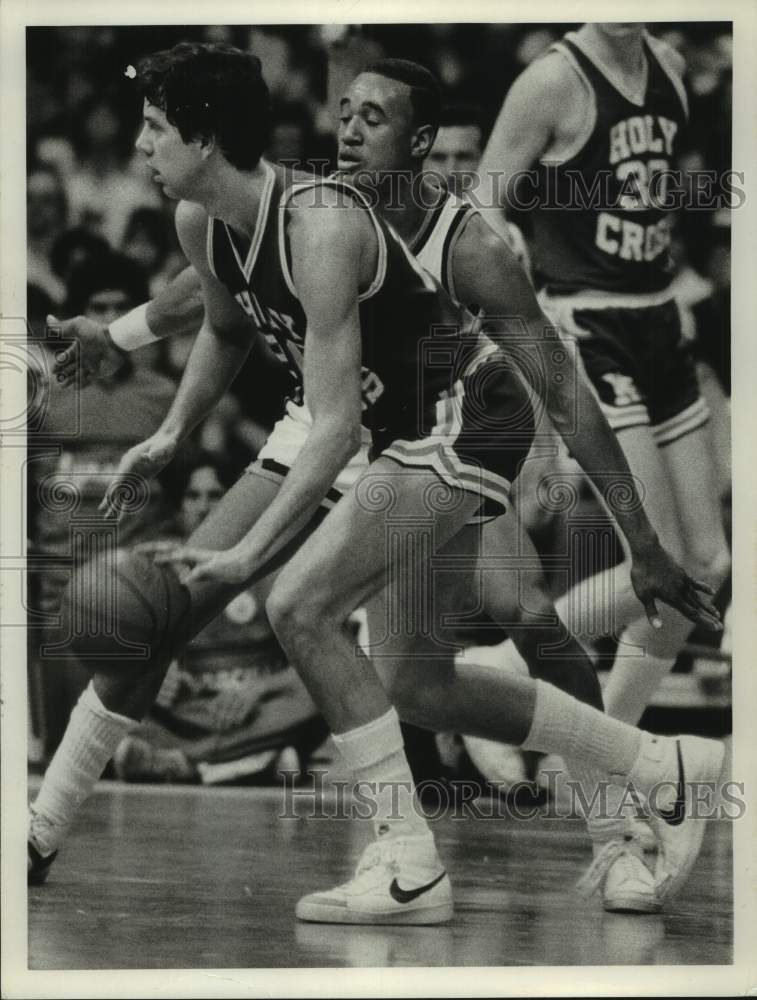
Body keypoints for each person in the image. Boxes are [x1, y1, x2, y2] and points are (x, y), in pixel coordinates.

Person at [36, 44, 723, 926]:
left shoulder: (461, 243)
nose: (350, 127)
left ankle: (592, 831)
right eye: (345, 112)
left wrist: (641, 540)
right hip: (342, 418)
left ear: (423, 141)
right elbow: (213, 298)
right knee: (401, 679)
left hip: (448, 416)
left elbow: (560, 385)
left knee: (420, 609)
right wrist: (127, 347)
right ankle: (41, 825)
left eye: (374, 116)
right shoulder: (273, 203)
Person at [474, 22, 730, 756]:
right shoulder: (553, 80)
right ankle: (514, 676)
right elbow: (483, 201)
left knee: (706, 570)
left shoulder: (672, 66)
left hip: (656, 316)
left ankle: (594, 748)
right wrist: (511, 253)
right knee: (660, 558)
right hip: (586, 320)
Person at [112, 455, 326, 784]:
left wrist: (256, 690)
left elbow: (314, 661)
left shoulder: (276, 566)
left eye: (216, 496)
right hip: (193, 712)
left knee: (316, 694)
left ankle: (191, 763)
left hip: (261, 710)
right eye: (193, 496)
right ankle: (253, 762)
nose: (203, 506)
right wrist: (154, 670)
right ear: (178, 507)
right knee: (118, 699)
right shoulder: (156, 570)